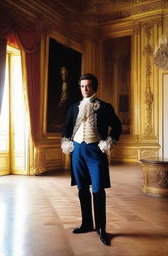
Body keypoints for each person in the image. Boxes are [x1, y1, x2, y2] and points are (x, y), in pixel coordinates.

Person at [61, 73, 122, 246]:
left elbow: (117, 126)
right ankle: (87, 223)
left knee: (98, 189)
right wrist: (66, 141)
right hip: (77, 150)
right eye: (82, 86)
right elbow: (66, 127)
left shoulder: (105, 107)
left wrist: (109, 141)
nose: (85, 89)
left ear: (94, 87)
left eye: (87, 86)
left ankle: (101, 228)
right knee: (82, 189)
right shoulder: (74, 107)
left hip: (95, 150)